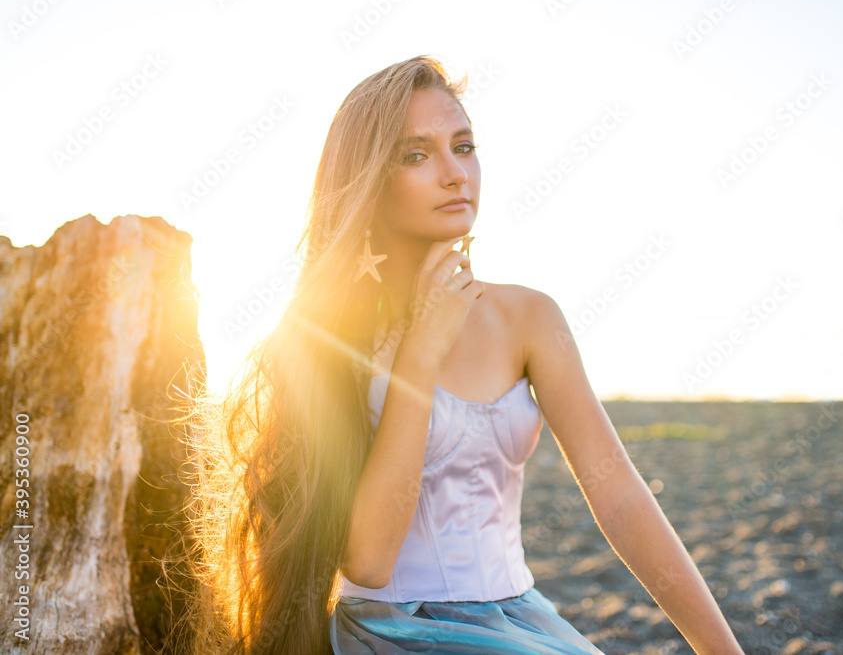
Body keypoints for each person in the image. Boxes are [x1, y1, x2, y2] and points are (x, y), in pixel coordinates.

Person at [170, 55, 745, 655]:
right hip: (394, 630)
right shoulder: (327, 341)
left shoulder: (529, 316)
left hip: (521, 619)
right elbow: (367, 561)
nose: (454, 173)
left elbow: (619, 495)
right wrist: (422, 348)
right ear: (367, 179)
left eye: (464, 146)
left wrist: (720, 650)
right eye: (415, 155)